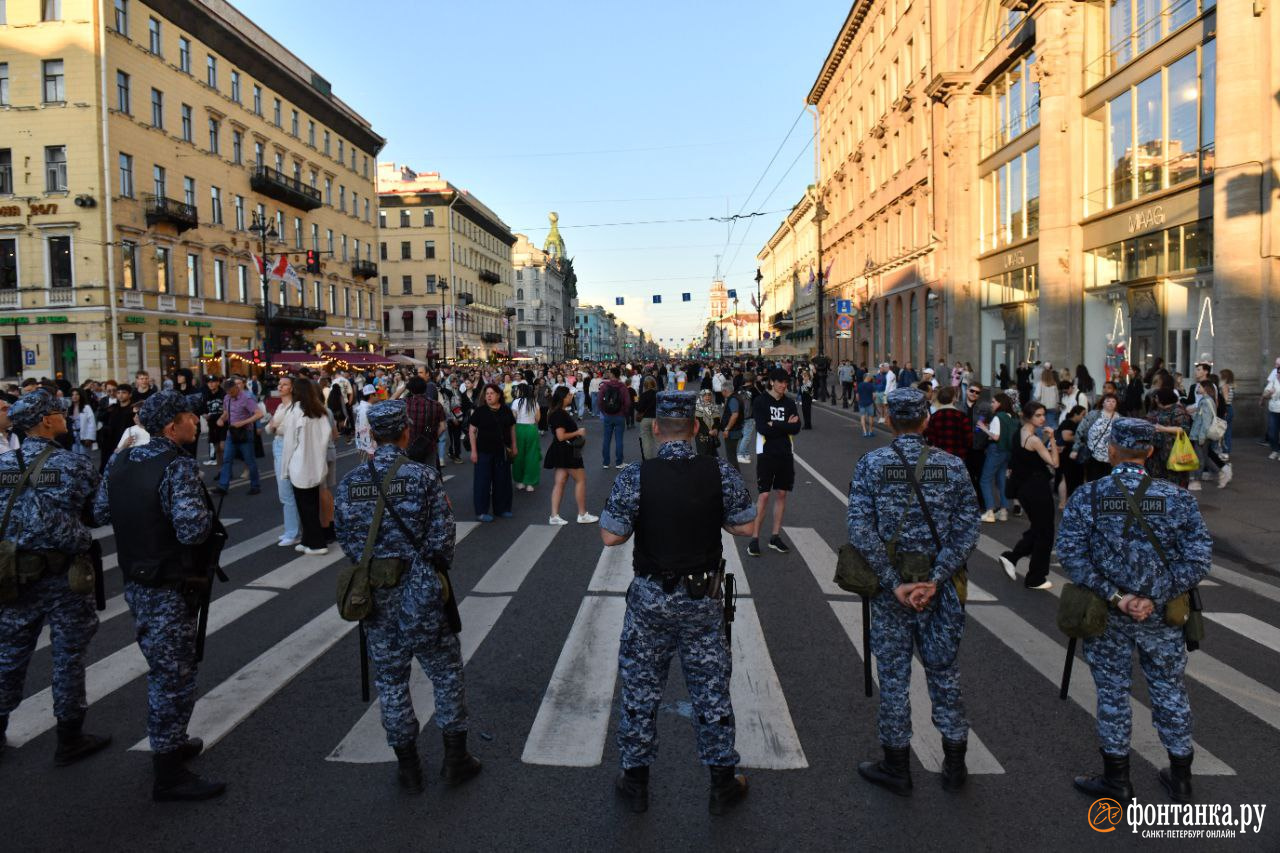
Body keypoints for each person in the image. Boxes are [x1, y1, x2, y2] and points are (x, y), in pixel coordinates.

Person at [599, 391, 757, 815]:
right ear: (694, 430)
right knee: (710, 690)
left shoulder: (636, 475)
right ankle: (722, 782)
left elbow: (611, 536)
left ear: (655, 429)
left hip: (651, 600)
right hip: (701, 601)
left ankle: (635, 783)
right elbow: (745, 527)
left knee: (640, 689)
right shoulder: (718, 471)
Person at [1056, 418, 1212, 803]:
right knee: (1169, 690)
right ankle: (1181, 778)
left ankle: (1117, 781)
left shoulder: (1088, 496)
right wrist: (1153, 596)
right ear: (1150, 452)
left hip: (1107, 616)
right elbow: (1198, 560)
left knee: (1112, 693)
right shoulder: (1177, 498)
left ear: (1111, 450)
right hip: (1162, 617)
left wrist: (1118, 597)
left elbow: (1072, 558)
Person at [333, 400, 481, 794]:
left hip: (375, 596)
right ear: (405, 433)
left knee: (391, 680)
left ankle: (409, 768)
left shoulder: (350, 482)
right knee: (445, 672)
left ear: (371, 434)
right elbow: (443, 539)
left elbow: (346, 540)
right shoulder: (422, 476)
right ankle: (455, 760)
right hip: (419, 592)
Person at [846, 388, 980, 795]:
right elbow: (968, 529)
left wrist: (894, 582)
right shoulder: (953, 466)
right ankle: (955, 764)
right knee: (944, 673)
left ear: (888, 419)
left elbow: (859, 530)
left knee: (893, 676)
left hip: (892, 593)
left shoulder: (872, 464)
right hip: (941, 590)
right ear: (926, 421)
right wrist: (935, 579)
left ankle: (897, 766)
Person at [93, 391, 223, 800]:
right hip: (170, 582)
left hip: (136, 578)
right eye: (190, 416)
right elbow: (192, 531)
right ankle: (168, 771)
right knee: (173, 676)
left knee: (166, 665)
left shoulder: (121, 458)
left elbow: (100, 511)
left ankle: (174, 741)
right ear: (171, 427)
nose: (197, 422)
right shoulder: (177, 466)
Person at [0, 390, 111, 767]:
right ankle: (69, 737)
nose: (65, 417)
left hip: (14, 573)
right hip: (64, 576)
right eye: (59, 413)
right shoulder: (73, 464)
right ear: (46, 420)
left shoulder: (4, 465)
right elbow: (97, 515)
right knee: (68, 656)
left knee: (9, 654)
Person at [997, 401, 1059, 590]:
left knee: (1040, 529)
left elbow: (1022, 459)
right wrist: (1053, 439)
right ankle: (1035, 578)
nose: (1043, 419)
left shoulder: (1019, 433)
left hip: (1024, 489)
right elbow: (1054, 463)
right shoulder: (1033, 439)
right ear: (1028, 417)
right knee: (1045, 533)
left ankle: (1012, 557)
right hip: (1037, 489)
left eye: (1043, 415)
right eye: (1038, 415)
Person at [747, 368, 802, 557]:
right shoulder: (760, 401)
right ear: (771, 382)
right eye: (780, 382)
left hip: (786, 453)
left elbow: (796, 428)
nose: (784, 385)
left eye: (786, 382)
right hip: (766, 453)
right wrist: (785, 425)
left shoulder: (789, 402)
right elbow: (763, 429)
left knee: (781, 494)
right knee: (763, 496)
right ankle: (754, 538)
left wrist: (776, 425)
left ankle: (775, 536)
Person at [281, 377, 332, 556]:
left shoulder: (296, 411)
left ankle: (317, 543)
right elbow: (326, 438)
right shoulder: (319, 411)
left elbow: (289, 443)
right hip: (316, 463)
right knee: (312, 504)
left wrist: (284, 468)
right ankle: (307, 540)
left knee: (305, 507)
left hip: (299, 464)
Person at [543, 387, 598, 525]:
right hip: (567, 451)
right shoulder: (560, 414)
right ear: (563, 398)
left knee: (559, 482)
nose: (571, 396)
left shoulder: (555, 412)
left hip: (560, 450)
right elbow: (561, 436)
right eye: (568, 395)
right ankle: (582, 514)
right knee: (581, 480)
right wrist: (578, 432)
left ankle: (554, 515)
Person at [468, 383, 516, 522]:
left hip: (502, 451)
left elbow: (512, 429)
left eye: (492, 393)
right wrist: (473, 451)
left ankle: (502, 509)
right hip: (483, 451)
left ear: (499, 395)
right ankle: (481, 511)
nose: (488, 396)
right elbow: (472, 431)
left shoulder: (506, 410)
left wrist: (514, 446)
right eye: (487, 393)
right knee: (482, 482)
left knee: (502, 481)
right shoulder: (480, 411)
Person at [263, 375, 301, 548]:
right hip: (278, 445)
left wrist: (274, 426)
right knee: (284, 492)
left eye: (284, 384)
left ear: (292, 388)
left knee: (286, 491)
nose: (280, 387)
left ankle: (293, 533)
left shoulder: (296, 407)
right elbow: (268, 428)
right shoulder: (280, 406)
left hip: (288, 447)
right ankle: (290, 530)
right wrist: (274, 427)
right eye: (279, 384)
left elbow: (287, 429)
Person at [213, 378, 261, 496]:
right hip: (232, 433)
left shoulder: (246, 398)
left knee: (249, 460)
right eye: (228, 392)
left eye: (232, 391)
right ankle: (223, 486)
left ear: (237, 387)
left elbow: (259, 414)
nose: (231, 394)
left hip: (245, 433)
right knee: (227, 459)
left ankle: (255, 485)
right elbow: (226, 413)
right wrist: (221, 419)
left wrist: (243, 422)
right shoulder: (227, 398)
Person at [977, 392, 1015, 522]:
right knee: (1001, 480)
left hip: (996, 450)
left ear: (1000, 403)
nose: (992, 404)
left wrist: (984, 428)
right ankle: (1003, 511)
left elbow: (995, 436)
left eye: (993, 402)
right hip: (1007, 452)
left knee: (985, 480)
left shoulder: (998, 417)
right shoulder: (1012, 417)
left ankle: (989, 511)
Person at [923, 386, 971, 460]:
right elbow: (969, 439)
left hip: (939, 457)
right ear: (953, 398)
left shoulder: (934, 417)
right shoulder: (961, 416)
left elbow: (930, 439)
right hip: (957, 458)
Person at [510, 381, 542, 492]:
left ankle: (519, 481)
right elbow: (538, 419)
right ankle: (530, 483)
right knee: (532, 455)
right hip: (531, 428)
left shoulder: (515, 402)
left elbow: (512, 418)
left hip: (519, 428)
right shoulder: (534, 402)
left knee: (518, 455)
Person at [598, 368, 631, 468]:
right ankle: (619, 462)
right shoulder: (623, 387)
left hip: (608, 415)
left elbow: (599, 401)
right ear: (619, 375)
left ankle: (606, 462)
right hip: (619, 415)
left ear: (611, 374)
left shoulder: (604, 386)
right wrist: (623, 412)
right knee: (619, 439)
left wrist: (604, 411)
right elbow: (628, 402)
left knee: (606, 439)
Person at [719, 383, 745, 472]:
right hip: (736, 430)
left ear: (725, 391)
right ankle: (735, 475)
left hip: (732, 431)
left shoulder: (733, 399)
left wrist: (727, 429)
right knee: (732, 455)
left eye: (721, 391)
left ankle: (735, 476)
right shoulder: (736, 397)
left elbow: (734, 415)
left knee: (731, 456)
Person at [635, 376, 659, 460]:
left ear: (644, 385)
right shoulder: (658, 394)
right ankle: (659, 459)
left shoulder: (643, 395)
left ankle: (648, 460)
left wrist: (635, 402)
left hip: (645, 419)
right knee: (657, 441)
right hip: (656, 419)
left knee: (646, 441)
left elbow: (639, 408)